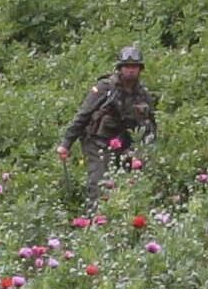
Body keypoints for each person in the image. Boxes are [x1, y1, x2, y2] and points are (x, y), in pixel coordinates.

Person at [58, 45, 157, 206]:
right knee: (99, 184)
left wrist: (147, 149)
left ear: (140, 69)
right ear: (120, 68)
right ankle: (93, 220)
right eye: (127, 66)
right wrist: (66, 144)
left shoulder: (142, 94)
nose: (130, 70)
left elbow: (150, 124)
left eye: (134, 66)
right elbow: (83, 114)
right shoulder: (106, 88)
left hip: (126, 144)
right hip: (98, 142)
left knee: (131, 185)